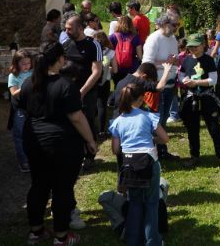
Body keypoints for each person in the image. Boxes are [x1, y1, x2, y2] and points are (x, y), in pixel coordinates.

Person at [19, 42, 96, 246]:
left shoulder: (28, 83)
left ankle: (36, 231)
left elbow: (22, 106)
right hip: (61, 144)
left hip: (34, 140)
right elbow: (76, 117)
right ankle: (61, 236)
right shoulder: (66, 85)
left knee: (39, 184)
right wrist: (90, 140)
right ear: (60, 59)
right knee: (62, 188)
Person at [109, 83, 168, 246]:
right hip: (149, 162)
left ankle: (132, 240)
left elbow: (115, 149)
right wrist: (152, 139)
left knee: (135, 202)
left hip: (129, 165)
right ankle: (152, 241)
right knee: (151, 203)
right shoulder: (148, 116)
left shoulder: (118, 121)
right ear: (142, 99)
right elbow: (165, 138)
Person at [179, 33, 220, 172]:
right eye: (190, 47)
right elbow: (181, 74)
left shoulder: (209, 60)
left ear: (203, 45)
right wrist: (184, 81)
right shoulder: (186, 60)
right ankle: (194, 156)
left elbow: (213, 80)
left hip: (207, 98)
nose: (193, 49)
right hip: (192, 99)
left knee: (214, 127)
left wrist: (196, 82)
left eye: (196, 46)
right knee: (192, 128)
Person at [63, 15, 103, 170]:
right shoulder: (66, 45)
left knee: (87, 120)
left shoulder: (94, 45)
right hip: (68, 91)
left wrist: (82, 91)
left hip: (88, 92)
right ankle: (75, 153)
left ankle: (90, 155)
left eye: (69, 28)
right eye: (65, 28)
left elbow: (97, 71)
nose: (66, 31)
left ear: (80, 28)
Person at [142, 13, 180, 160]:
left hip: (170, 83)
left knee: (163, 120)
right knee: (156, 121)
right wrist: (167, 62)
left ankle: (162, 151)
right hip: (156, 86)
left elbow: (173, 59)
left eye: (178, 25)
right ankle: (152, 153)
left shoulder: (172, 38)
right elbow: (146, 65)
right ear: (165, 23)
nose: (177, 28)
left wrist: (176, 61)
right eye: (174, 25)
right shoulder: (153, 39)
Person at [8, 50, 33, 172]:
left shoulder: (32, 72)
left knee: (33, 135)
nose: (26, 66)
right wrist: (27, 85)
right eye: (23, 63)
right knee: (19, 136)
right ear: (16, 63)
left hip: (33, 108)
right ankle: (23, 161)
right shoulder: (13, 76)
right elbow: (14, 93)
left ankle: (33, 158)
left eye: (28, 63)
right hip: (20, 110)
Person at [94, 31, 118, 140]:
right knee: (102, 106)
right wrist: (107, 69)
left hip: (92, 81)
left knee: (92, 104)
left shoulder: (93, 51)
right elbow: (116, 70)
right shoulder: (111, 52)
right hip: (105, 82)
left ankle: (92, 128)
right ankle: (102, 131)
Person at [109, 16, 143, 85]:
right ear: (131, 24)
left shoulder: (112, 36)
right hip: (132, 68)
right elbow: (140, 56)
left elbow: (109, 53)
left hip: (117, 68)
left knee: (117, 87)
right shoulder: (136, 37)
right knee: (129, 89)